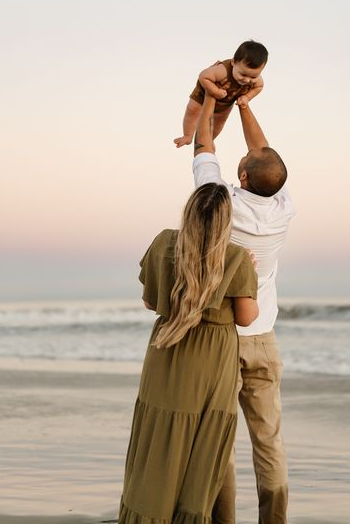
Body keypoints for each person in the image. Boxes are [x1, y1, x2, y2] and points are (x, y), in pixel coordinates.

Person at [118, 182, 259, 524]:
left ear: (189, 211)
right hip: (211, 359)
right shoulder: (237, 257)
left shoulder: (164, 242)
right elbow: (246, 318)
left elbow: (151, 301)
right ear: (226, 219)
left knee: (158, 439)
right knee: (202, 445)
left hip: (166, 351)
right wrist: (252, 275)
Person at [193, 91, 295, 524]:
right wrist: (246, 106)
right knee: (268, 439)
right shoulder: (283, 208)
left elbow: (203, 149)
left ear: (242, 176)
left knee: (220, 439)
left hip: (222, 337)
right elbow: (265, 158)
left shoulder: (219, 202)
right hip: (263, 341)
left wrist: (209, 104)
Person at [174, 39, 268, 147]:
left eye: (253, 77)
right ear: (233, 62)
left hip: (227, 100)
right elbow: (203, 76)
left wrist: (247, 97)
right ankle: (187, 135)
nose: (247, 80)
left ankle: (209, 139)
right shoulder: (222, 70)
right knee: (192, 110)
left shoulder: (257, 80)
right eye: (243, 75)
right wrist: (215, 91)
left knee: (220, 121)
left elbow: (259, 87)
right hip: (203, 94)